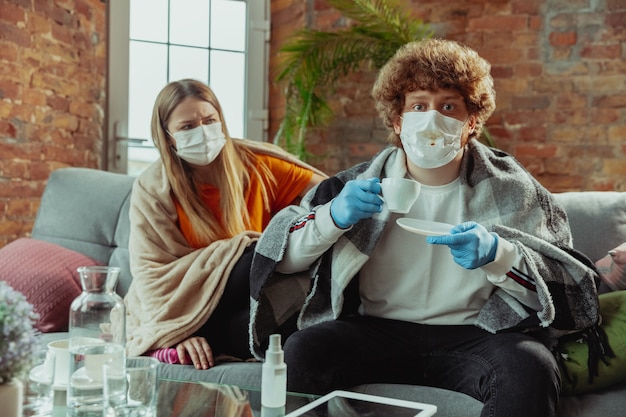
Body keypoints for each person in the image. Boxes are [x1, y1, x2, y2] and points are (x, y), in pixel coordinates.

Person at [249, 39, 609, 417]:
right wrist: (333, 216)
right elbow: (280, 261)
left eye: (448, 106)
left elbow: (570, 289)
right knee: (304, 349)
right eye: (419, 105)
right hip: (375, 331)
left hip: (475, 335)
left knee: (530, 364)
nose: (432, 118)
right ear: (398, 120)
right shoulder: (351, 187)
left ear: (471, 122)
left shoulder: (513, 190)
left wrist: (498, 256)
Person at [122, 79, 325, 370]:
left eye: (209, 120)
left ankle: (202, 341)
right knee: (254, 254)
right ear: (167, 137)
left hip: (249, 300)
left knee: (280, 331)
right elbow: (151, 277)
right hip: (182, 303)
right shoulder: (152, 189)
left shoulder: (256, 165)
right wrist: (178, 331)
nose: (202, 132)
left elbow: (328, 194)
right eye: (187, 127)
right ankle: (178, 340)